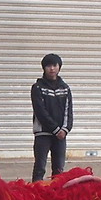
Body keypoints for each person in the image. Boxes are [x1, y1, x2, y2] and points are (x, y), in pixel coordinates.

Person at [30, 53, 73, 181]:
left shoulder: (65, 88)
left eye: (54, 65)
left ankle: (56, 197)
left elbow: (69, 111)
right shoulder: (37, 88)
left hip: (60, 136)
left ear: (59, 67)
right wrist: (55, 129)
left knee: (59, 170)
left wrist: (65, 129)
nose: (52, 69)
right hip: (42, 134)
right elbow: (40, 111)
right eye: (48, 66)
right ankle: (36, 196)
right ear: (44, 68)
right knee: (40, 168)